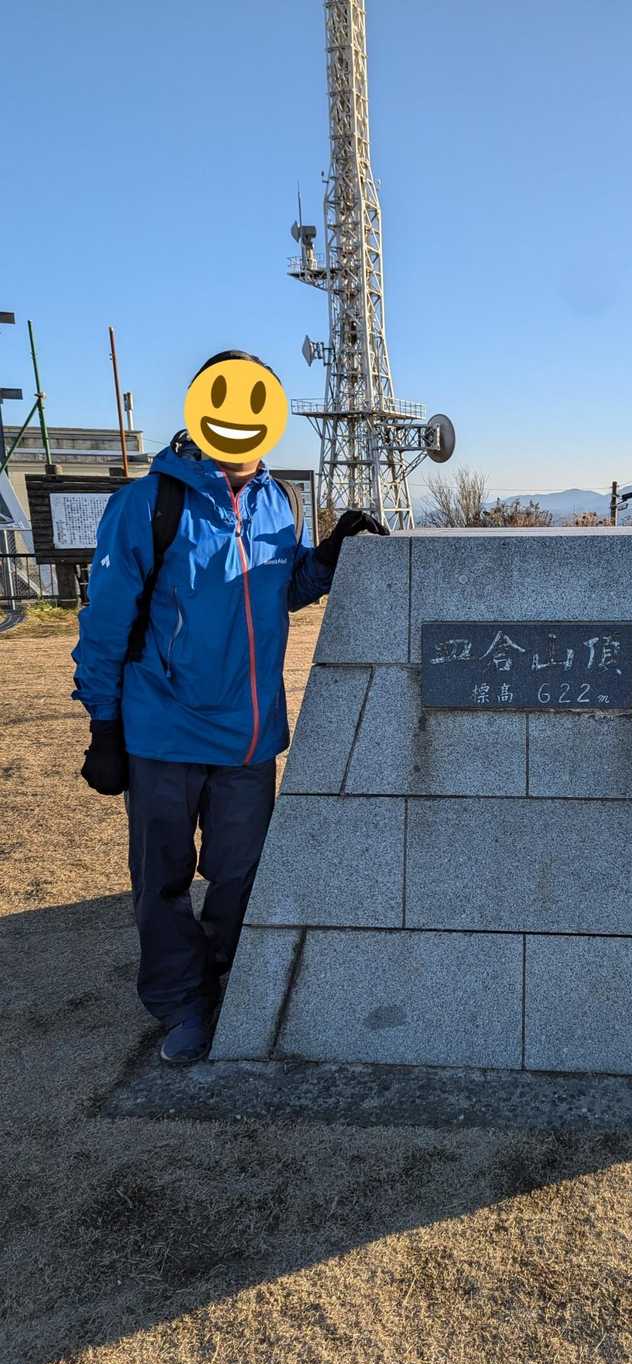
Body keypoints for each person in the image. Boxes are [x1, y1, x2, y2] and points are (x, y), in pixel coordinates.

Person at [72, 349, 388, 1065]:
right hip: (163, 732)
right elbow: (106, 625)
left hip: (249, 738)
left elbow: (281, 589)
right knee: (162, 882)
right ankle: (181, 1003)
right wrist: (104, 725)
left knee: (242, 876)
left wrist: (327, 557)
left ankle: (232, 990)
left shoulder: (279, 501)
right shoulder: (149, 505)